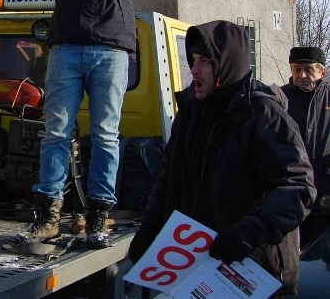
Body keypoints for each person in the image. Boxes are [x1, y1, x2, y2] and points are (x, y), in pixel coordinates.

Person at [128, 21, 316, 296]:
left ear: (226, 65)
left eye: (204, 61)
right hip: (199, 267)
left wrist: (249, 232)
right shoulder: (191, 112)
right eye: (193, 60)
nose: (193, 69)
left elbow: (298, 186)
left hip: (254, 268)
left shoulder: (263, 114)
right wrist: (151, 228)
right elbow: (168, 178)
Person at [29, 0, 138, 248]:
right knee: (55, 131)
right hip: (66, 46)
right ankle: (48, 216)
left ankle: (98, 218)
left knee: (106, 135)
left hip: (110, 47)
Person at [279, 46, 329, 248]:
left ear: (322, 71)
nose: (302, 75)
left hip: (325, 196)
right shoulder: (278, 99)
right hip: (289, 194)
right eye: (296, 69)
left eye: (309, 69)